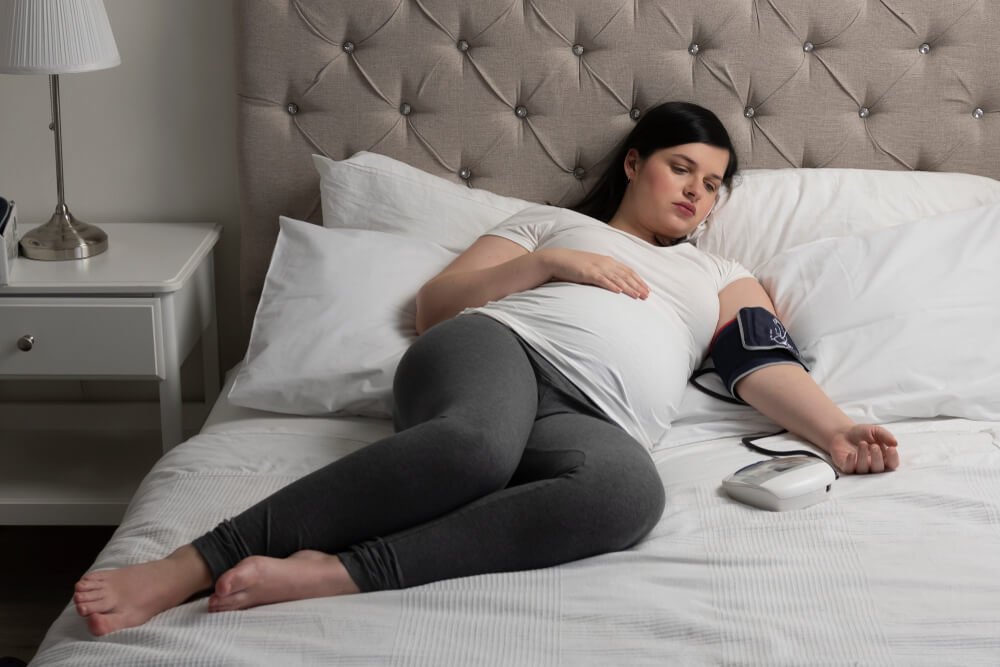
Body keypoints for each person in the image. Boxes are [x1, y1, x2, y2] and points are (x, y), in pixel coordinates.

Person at [73, 101, 899, 636]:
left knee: (627, 494)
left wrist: (835, 428)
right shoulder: (545, 224)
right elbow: (438, 304)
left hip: (596, 418)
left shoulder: (719, 273)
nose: (697, 191)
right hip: (496, 349)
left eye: (714, 184)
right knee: (472, 447)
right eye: (682, 166)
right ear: (636, 162)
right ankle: (186, 563)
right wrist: (549, 269)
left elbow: (759, 359)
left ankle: (340, 572)